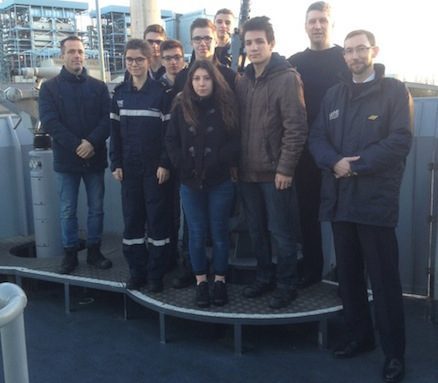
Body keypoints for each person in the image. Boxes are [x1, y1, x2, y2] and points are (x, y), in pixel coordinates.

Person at [309, 30, 413, 383]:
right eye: (349, 51)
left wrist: (355, 164)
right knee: (349, 278)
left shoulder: (394, 92)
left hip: (374, 203)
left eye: (360, 49)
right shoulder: (334, 95)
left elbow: (400, 140)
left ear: (374, 51)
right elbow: (317, 137)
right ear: (344, 57)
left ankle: (394, 354)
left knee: (384, 282)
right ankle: (360, 336)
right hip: (341, 202)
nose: (354, 56)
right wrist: (334, 161)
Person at [236, 16, 308, 309]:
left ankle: (286, 284)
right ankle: (263, 278)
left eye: (258, 42)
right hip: (246, 172)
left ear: (271, 44)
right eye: (249, 43)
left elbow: (296, 127)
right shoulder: (243, 81)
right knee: (256, 231)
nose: (253, 47)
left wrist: (286, 168)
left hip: (275, 173)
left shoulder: (288, 78)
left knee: (282, 232)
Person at [166, 60, 239, 307]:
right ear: (190, 81)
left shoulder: (227, 106)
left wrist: (219, 159)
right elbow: (172, 140)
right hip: (190, 182)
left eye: (206, 78)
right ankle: (200, 282)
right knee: (195, 234)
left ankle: (219, 280)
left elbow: (235, 140)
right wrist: (182, 164)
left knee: (219, 232)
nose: (201, 83)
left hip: (219, 181)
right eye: (196, 78)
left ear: (214, 80)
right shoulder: (180, 106)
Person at [39, 36, 112, 275]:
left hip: (94, 157)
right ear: (62, 56)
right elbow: (50, 122)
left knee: (96, 208)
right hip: (66, 160)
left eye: (80, 51)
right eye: (71, 52)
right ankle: (70, 254)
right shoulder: (49, 88)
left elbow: (106, 120)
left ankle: (94, 251)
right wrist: (76, 145)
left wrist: (91, 142)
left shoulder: (99, 87)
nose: (77, 56)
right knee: (67, 209)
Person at [287, 1, 348, 288]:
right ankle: (312, 268)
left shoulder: (344, 58)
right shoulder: (294, 62)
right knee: (307, 212)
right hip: (305, 150)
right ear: (305, 26)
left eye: (322, 20)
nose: (317, 25)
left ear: (331, 24)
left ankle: (346, 275)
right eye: (312, 21)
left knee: (344, 214)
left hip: (341, 149)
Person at [110, 39, 171, 292]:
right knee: (133, 221)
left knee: (157, 221)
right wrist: (116, 163)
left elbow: (169, 134)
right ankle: (137, 272)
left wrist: (165, 163)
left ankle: (156, 274)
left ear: (149, 61)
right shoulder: (119, 94)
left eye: (139, 59)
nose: (134, 64)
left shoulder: (161, 94)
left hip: (154, 169)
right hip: (129, 170)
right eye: (129, 59)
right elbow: (114, 133)